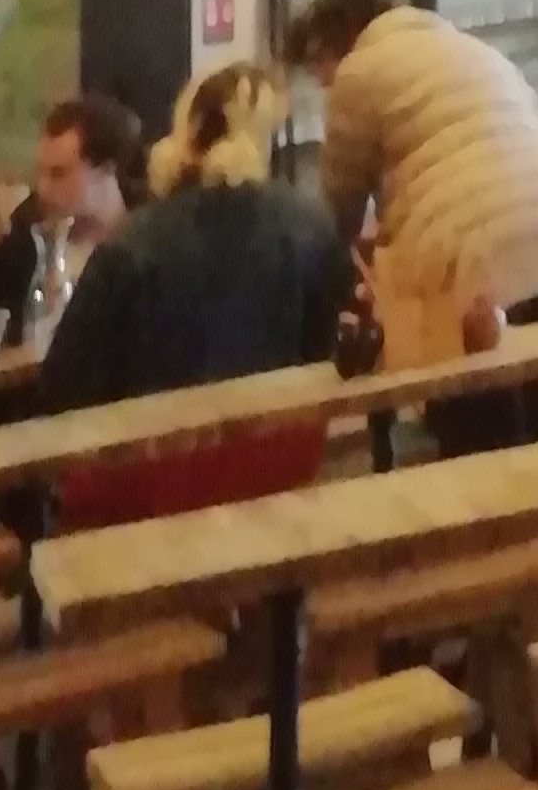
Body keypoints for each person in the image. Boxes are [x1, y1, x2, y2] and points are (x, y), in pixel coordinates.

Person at [289, 0, 538, 442]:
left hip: (483, 282)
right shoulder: (479, 52)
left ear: (335, 46)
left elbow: (338, 215)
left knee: (486, 449)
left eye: (319, 72)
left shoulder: (358, 73)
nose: (323, 86)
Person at [40, 64, 353, 522]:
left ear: (184, 131)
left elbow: (62, 384)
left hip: (146, 489)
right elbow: (325, 354)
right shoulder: (311, 228)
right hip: (273, 476)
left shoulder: (132, 244)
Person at [0, 92, 146, 333]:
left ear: (107, 169)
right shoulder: (18, 251)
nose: (43, 189)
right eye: (41, 173)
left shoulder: (149, 248)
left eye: (58, 174)